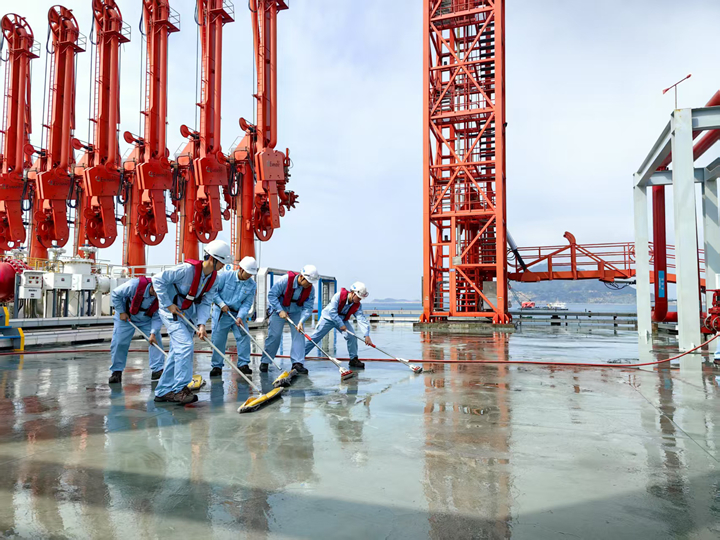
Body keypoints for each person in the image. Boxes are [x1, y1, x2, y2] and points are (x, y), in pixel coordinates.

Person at [152, 240, 230, 404]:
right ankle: (180, 389)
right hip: (171, 311)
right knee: (185, 346)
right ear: (212, 258)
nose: (224, 265)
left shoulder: (214, 279)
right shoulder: (186, 270)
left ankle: (162, 391)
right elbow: (157, 279)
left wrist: (201, 324)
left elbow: (206, 301)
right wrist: (168, 304)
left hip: (188, 313)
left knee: (177, 352)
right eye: (222, 261)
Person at [261, 265, 318, 375]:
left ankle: (297, 363)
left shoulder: (310, 289)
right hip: (279, 308)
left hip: (296, 311)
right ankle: (265, 361)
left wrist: (301, 321)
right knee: (275, 335)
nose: (310, 284)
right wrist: (279, 310)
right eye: (308, 282)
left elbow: (308, 307)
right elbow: (272, 295)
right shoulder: (285, 280)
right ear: (302, 277)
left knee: (299, 334)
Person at [108, 276, 164, 384]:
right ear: (153, 287)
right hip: (126, 316)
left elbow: (158, 316)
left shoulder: (162, 296)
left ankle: (157, 370)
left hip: (147, 319)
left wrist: (153, 333)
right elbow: (115, 294)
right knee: (119, 342)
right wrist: (121, 311)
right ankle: (116, 371)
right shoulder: (133, 285)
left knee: (156, 341)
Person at [305, 282, 373, 369]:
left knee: (352, 336)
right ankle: (299, 357)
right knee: (315, 337)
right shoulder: (338, 296)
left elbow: (361, 319)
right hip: (328, 318)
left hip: (342, 319)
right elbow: (332, 312)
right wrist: (341, 324)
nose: (360, 300)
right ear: (353, 293)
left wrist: (366, 335)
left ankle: (353, 359)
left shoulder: (357, 305)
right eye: (359, 297)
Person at [210, 256, 258, 377]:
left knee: (244, 337)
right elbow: (213, 292)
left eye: (251, 274)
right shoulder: (225, 276)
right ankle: (217, 366)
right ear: (241, 269)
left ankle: (243, 364)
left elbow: (247, 303)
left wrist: (241, 316)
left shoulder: (252, 285)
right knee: (218, 339)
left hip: (237, 314)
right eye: (248, 273)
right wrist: (221, 304)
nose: (249, 276)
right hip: (222, 313)